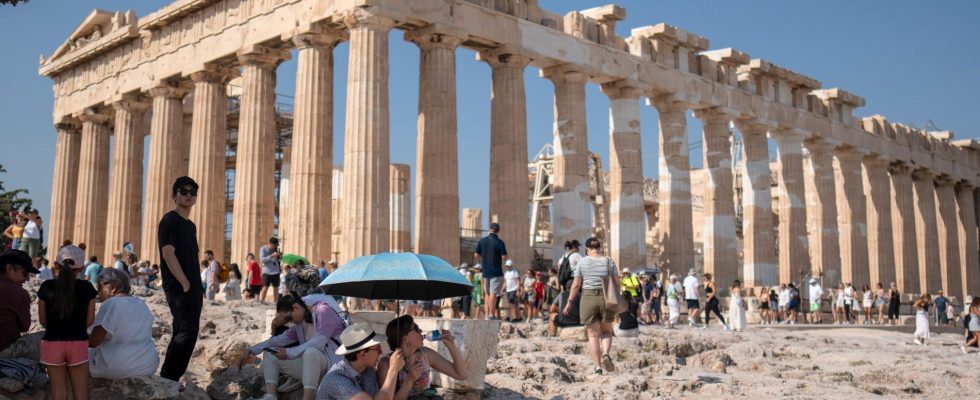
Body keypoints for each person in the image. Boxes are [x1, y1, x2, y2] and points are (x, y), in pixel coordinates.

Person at [236, 292, 346, 400]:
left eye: (288, 318)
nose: (289, 322)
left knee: (310, 352)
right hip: (311, 368)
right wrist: (251, 350)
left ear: (296, 307)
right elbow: (278, 340)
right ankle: (271, 396)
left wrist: (289, 353)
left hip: (332, 366)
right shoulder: (299, 323)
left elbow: (318, 343)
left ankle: (308, 397)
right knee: (271, 352)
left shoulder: (323, 310)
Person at [158, 176, 204, 382]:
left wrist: (194, 285)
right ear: (174, 195)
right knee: (185, 332)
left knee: (187, 332)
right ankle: (168, 378)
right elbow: (168, 253)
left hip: (192, 286)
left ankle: (171, 379)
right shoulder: (170, 220)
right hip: (179, 286)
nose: (188, 195)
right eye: (183, 191)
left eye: (192, 192)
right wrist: (184, 283)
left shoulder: (190, 225)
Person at [38, 245, 97, 400]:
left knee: (58, 393)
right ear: (82, 267)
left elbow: (43, 320)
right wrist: (75, 328)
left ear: (56, 265)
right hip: (78, 341)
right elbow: (90, 320)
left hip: (52, 342)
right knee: (81, 393)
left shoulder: (46, 287)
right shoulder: (87, 287)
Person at [88, 267, 159, 378]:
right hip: (148, 365)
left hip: (118, 367)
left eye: (99, 287)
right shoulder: (141, 304)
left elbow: (94, 341)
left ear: (113, 287)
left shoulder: (111, 303)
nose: (98, 292)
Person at [563, 237, 619, 375]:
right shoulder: (609, 261)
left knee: (593, 335)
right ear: (599, 247)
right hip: (606, 298)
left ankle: (598, 367)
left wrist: (569, 302)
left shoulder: (582, 261)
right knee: (606, 331)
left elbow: (576, 284)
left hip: (588, 297)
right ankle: (606, 353)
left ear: (587, 249)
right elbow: (617, 283)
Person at [378, 315, 469, 399]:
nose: (421, 331)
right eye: (416, 328)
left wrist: (451, 346)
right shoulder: (386, 364)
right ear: (405, 339)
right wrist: (409, 381)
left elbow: (461, 375)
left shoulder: (424, 354)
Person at [315, 323, 401, 400]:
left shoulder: (368, 371)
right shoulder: (336, 379)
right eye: (378, 349)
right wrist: (393, 370)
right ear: (362, 354)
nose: (381, 352)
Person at [0, 249, 36, 353]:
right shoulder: (18, 292)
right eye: (25, 273)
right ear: (9, 268)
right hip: (5, 352)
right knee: (46, 338)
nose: (27, 279)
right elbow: (25, 326)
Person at [474, 223, 507, 320]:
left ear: (489, 229)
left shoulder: (482, 241)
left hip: (485, 271)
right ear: (498, 230)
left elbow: (476, 255)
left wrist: (485, 255)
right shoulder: (500, 242)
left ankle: (486, 314)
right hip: (496, 271)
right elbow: (504, 257)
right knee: (493, 293)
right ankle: (491, 314)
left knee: (487, 294)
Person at [260, 237, 283, 303]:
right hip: (267, 271)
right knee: (265, 287)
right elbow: (262, 260)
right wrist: (272, 255)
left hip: (276, 271)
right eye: (274, 245)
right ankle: (261, 301)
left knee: (276, 287)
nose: (275, 247)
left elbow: (278, 260)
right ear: (269, 243)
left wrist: (279, 256)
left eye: (276, 245)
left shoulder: (275, 249)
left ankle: (276, 302)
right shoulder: (263, 249)